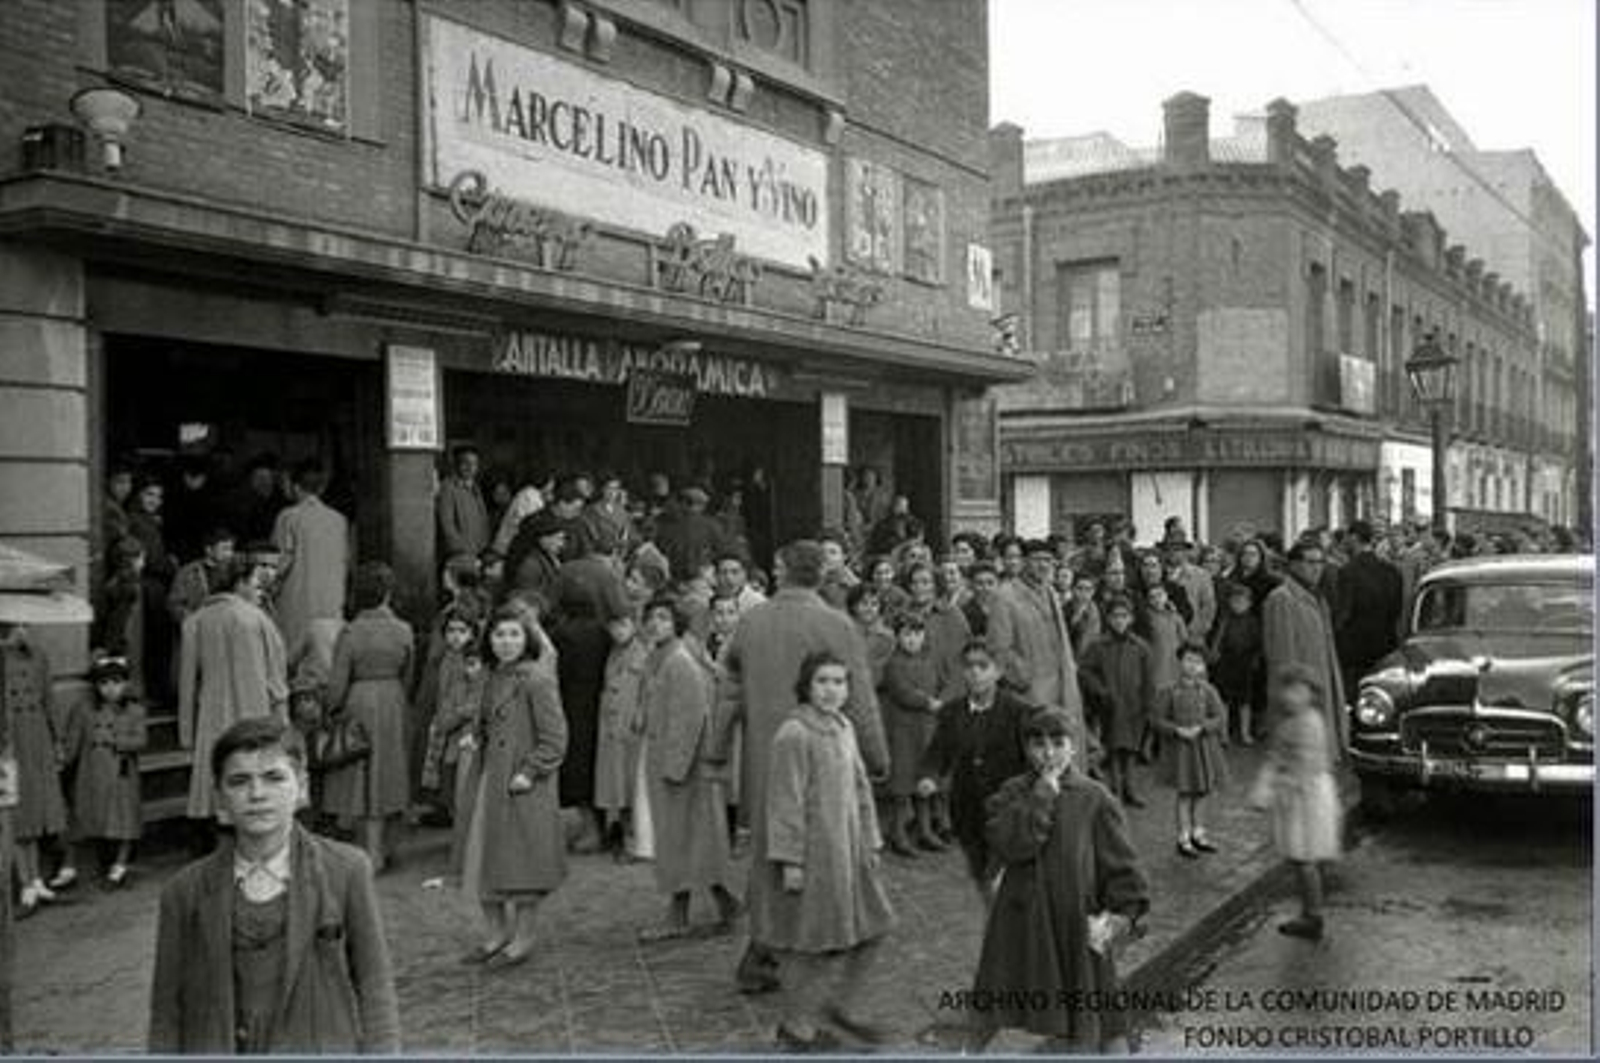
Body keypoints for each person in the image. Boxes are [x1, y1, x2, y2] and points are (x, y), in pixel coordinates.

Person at [147, 717, 400, 1053]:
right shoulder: (184, 893)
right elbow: (166, 1012)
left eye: (274, 778)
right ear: (219, 796)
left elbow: (375, 988)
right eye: (239, 781)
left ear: (302, 787)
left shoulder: (346, 871)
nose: (257, 794)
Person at [705, 540, 888, 997]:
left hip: (767, 758)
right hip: (826, 758)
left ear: (781, 569)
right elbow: (861, 697)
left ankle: (765, 950)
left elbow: (728, 690)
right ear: (821, 574)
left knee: (773, 852)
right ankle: (806, 950)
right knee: (826, 851)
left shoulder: (751, 622)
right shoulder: (837, 624)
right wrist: (876, 756)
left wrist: (716, 750)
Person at [965, 707, 1150, 1053]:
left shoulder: (1094, 797)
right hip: (1018, 921)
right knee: (994, 1003)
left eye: (1058, 742)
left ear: (1074, 746)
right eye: (1038, 744)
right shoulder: (1012, 792)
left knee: (1093, 1014)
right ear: (1026, 748)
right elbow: (1012, 844)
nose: (1048, 753)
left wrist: (1120, 916)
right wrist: (1042, 796)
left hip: (1073, 923)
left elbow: (1122, 865)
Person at [764, 651, 896, 1051]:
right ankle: (796, 1028)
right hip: (814, 858)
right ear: (807, 685)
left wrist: (871, 839)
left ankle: (839, 1005)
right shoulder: (794, 733)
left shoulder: (843, 726)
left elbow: (859, 787)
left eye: (839, 682)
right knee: (813, 944)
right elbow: (784, 802)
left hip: (849, 852)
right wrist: (791, 861)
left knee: (876, 926)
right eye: (822, 681)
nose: (831, 690)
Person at [635, 597, 742, 941]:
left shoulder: (678, 661)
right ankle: (725, 903)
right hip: (672, 764)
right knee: (691, 840)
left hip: (682, 769)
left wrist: (675, 767)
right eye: (651, 617)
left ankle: (680, 914)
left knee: (681, 840)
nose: (656, 624)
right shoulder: (660, 658)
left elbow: (691, 715)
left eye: (664, 617)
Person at [178, 556, 288, 835]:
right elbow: (277, 681)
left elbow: (187, 684)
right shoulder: (259, 620)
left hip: (212, 719)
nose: (258, 590)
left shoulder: (195, 621)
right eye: (254, 583)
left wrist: (186, 734)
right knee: (256, 790)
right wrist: (282, 724)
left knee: (219, 788)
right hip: (256, 718)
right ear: (239, 583)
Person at [915, 640, 1030, 908]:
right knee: (981, 875)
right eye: (969, 666)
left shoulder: (1019, 712)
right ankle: (997, 923)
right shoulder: (951, 712)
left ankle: (1008, 927)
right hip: (968, 811)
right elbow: (936, 752)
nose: (975, 672)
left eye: (983, 666)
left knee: (1003, 877)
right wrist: (929, 776)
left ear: (998, 671)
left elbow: (1031, 761)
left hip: (1008, 811)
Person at [322, 563, 414, 872]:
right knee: (389, 775)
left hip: (358, 701)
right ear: (388, 594)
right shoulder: (403, 630)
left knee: (361, 778)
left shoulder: (350, 632)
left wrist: (330, 708)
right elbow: (409, 674)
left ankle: (367, 852)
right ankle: (386, 849)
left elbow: (337, 684)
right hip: (393, 700)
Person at [1248, 665, 1342, 941]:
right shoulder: (1287, 722)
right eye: (1289, 690)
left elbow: (1306, 765)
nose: (1293, 696)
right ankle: (1309, 910)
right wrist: (1264, 785)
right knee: (1298, 857)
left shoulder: (1310, 722)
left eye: (1300, 690)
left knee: (1304, 858)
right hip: (1295, 794)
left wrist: (1273, 790)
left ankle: (1313, 916)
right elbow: (1276, 757)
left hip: (1308, 796)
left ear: (1311, 695)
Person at [986, 539, 1088, 770]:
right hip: (1029, 695)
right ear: (1023, 562)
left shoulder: (1051, 592)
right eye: (1037, 560)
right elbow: (998, 649)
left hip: (1061, 690)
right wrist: (1025, 679)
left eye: (1048, 560)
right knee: (1032, 762)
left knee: (1062, 763)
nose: (1043, 565)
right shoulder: (1004, 596)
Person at [58, 654, 147, 889]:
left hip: (121, 774)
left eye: (116, 682)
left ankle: (119, 865)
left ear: (125, 683)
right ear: (97, 686)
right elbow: (73, 741)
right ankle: (68, 867)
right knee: (79, 818)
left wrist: (117, 740)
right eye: (104, 683)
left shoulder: (134, 711)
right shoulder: (84, 710)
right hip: (90, 774)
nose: (110, 689)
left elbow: (141, 740)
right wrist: (63, 761)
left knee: (123, 820)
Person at [1, 623, 68, 913]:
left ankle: (36, 877)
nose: (22, 631)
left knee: (37, 808)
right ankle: (24, 881)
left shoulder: (39, 656)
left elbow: (49, 699)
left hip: (36, 735)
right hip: (8, 741)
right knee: (14, 810)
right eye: (15, 626)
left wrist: (57, 740)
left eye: (25, 625)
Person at [1263, 540, 1347, 760]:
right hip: (1301, 695)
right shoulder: (1282, 598)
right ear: (1293, 564)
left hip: (1321, 685)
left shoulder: (1317, 596)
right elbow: (1282, 657)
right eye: (1310, 562)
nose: (1317, 567)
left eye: (1320, 562)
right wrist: (1293, 698)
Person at [1151, 642, 1228, 859]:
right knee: (1185, 794)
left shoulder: (1209, 691)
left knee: (1203, 792)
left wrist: (1203, 728)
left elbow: (1220, 717)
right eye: (1188, 660)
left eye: (1197, 662)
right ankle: (1183, 837)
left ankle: (1199, 833)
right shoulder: (1168, 691)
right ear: (1180, 662)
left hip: (1204, 749)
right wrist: (1176, 731)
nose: (1192, 666)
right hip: (1182, 752)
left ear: (1203, 667)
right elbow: (1157, 720)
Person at [1077, 596, 1154, 809]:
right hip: (1110, 705)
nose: (1119, 621)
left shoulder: (1140, 646)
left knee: (1131, 749)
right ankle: (1115, 790)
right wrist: (1100, 691)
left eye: (1124, 616)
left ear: (1131, 619)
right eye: (1115, 616)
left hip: (1134, 706)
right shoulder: (1098, 645)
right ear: (1108, 619)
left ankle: (1130, 788)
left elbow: (1149, 679)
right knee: (1112, 748)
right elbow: (1084, 670)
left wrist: (1148, 704)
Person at [272, 462, 351, 669]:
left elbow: (282, 560)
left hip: (296, 604)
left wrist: (267, 588)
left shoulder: (288, 517)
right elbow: (346, 560)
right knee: (326, 665)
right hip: (331, 604)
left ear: (295, 487)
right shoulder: (339, 520)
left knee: (293, 664)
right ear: (322, 489)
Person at [880, 614, 943, 857]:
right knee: (902, 782)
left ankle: (925, 830)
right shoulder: (893, 664)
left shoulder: (928, 661)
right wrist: (928, 702)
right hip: (903, 730)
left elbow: (937, 684)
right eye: (907, 634)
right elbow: (902, 692)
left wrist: (938, 702)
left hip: (926, 728)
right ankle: (898, 832)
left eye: (917, 634)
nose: (912, 639)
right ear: (897, 636)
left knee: (925, 780)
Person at [1332, 520, 1404, 703]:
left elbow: (1344, 613)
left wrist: (1336, 636)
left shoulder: (1348, 572)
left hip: (1354, 650)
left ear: (1354, 538)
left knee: (1354, 699)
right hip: (1386, 646)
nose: (1344, 542)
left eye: (1347, 537)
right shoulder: (1392, 571)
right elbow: (1397, 609)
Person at [595, 612, 648, 858]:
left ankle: (630, 833)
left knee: (629, 778)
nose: (618, 630)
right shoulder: (612, 652)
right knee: (613, 779)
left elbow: (648, 686)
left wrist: (641, 711)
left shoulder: (643, 651)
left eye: (623, 624)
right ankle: (616, 828)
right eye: (613, 625)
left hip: (631, 723)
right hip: (611, 722)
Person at [1209, 582, 1264, 745]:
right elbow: (1217, 641)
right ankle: (1223, 734)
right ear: (1229, 602)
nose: (1238, 604)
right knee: (1224, 700)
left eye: (1242, 601)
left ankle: (1245, 733)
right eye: (1235, 600)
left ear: (1249, 603)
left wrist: (1256, 659)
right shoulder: (1225, 620)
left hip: (1245, 663)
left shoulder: (1253, 622)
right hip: (1226, 662)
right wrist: (1215, 654)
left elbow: (1259, 643)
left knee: (1245, 701)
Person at [167, 528, 237, 625]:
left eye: (231, 549)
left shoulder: (234, 573)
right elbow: (174, 605)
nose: (229, 554)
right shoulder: (188, 573)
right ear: (208, 550)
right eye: (224, 549)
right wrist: (196, 620)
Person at [436, 445, 490, 566]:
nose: (470, 468)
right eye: (465, 463)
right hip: (459, 556)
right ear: (456, 464)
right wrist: (460, 550)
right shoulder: (448, 488)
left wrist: (484, 546)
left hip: (477, 554)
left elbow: (483, 519)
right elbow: (446, 524)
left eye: (474, 464)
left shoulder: (475, 488)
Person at [503, 509, 566, 605]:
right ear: (543, 538)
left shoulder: (546, 556)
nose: (562, 544)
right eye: (559, 539)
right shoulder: (530, 565)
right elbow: (527, 601)